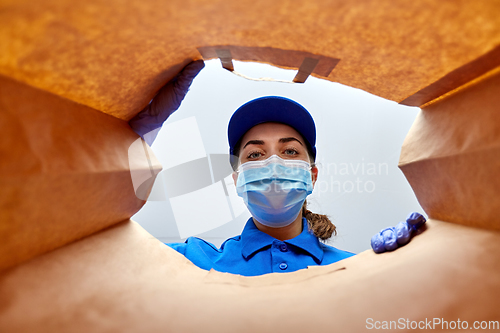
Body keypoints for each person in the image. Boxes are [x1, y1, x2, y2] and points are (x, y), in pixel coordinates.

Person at [129, 60, 426, 277]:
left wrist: (416, 264)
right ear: (237, 179)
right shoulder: (192, 261)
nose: (273, 163)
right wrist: (129, 138)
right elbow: (92, 242)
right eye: (255, 154)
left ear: (312, 175)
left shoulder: (356, 268)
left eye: (290, 151)